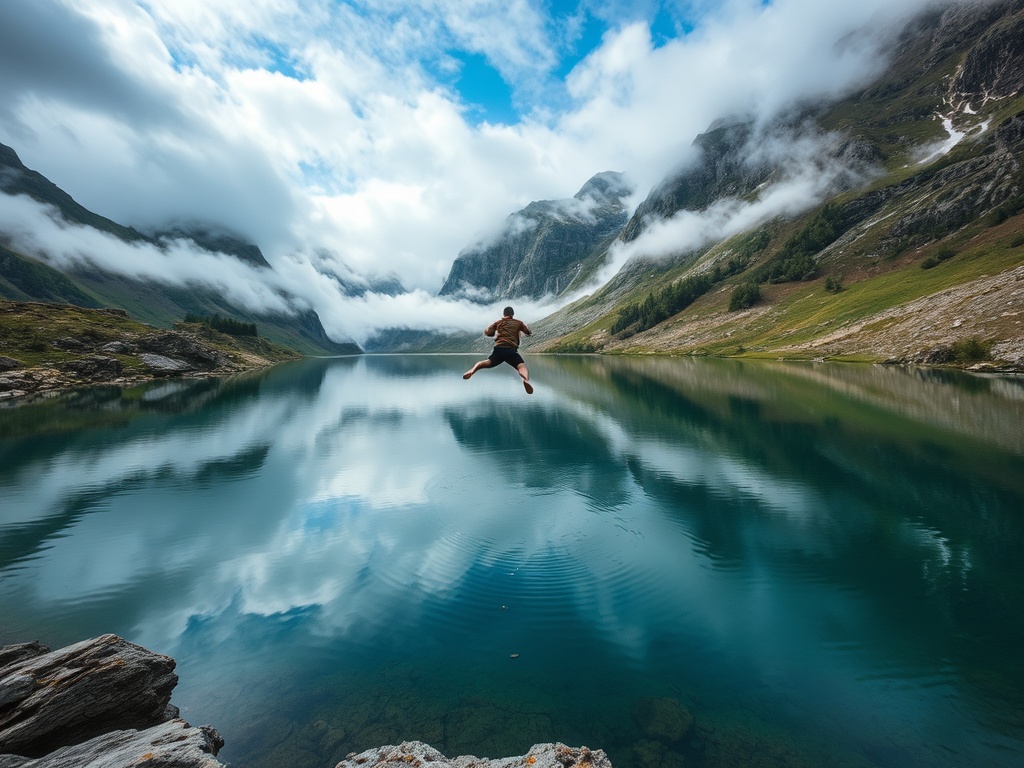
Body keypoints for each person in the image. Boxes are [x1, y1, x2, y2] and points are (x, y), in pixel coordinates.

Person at [463, 306, 534, 394]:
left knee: (486, 362)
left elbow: (488, 333)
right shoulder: (519, 323)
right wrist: (525, 328)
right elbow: (528, 332)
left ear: (504, 314)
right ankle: (526, 380)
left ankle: (473, 370)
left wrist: (491, 330)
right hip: (511, 350)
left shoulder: (498, 322)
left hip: (498, 349)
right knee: (521, 367)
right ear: (512, 314)